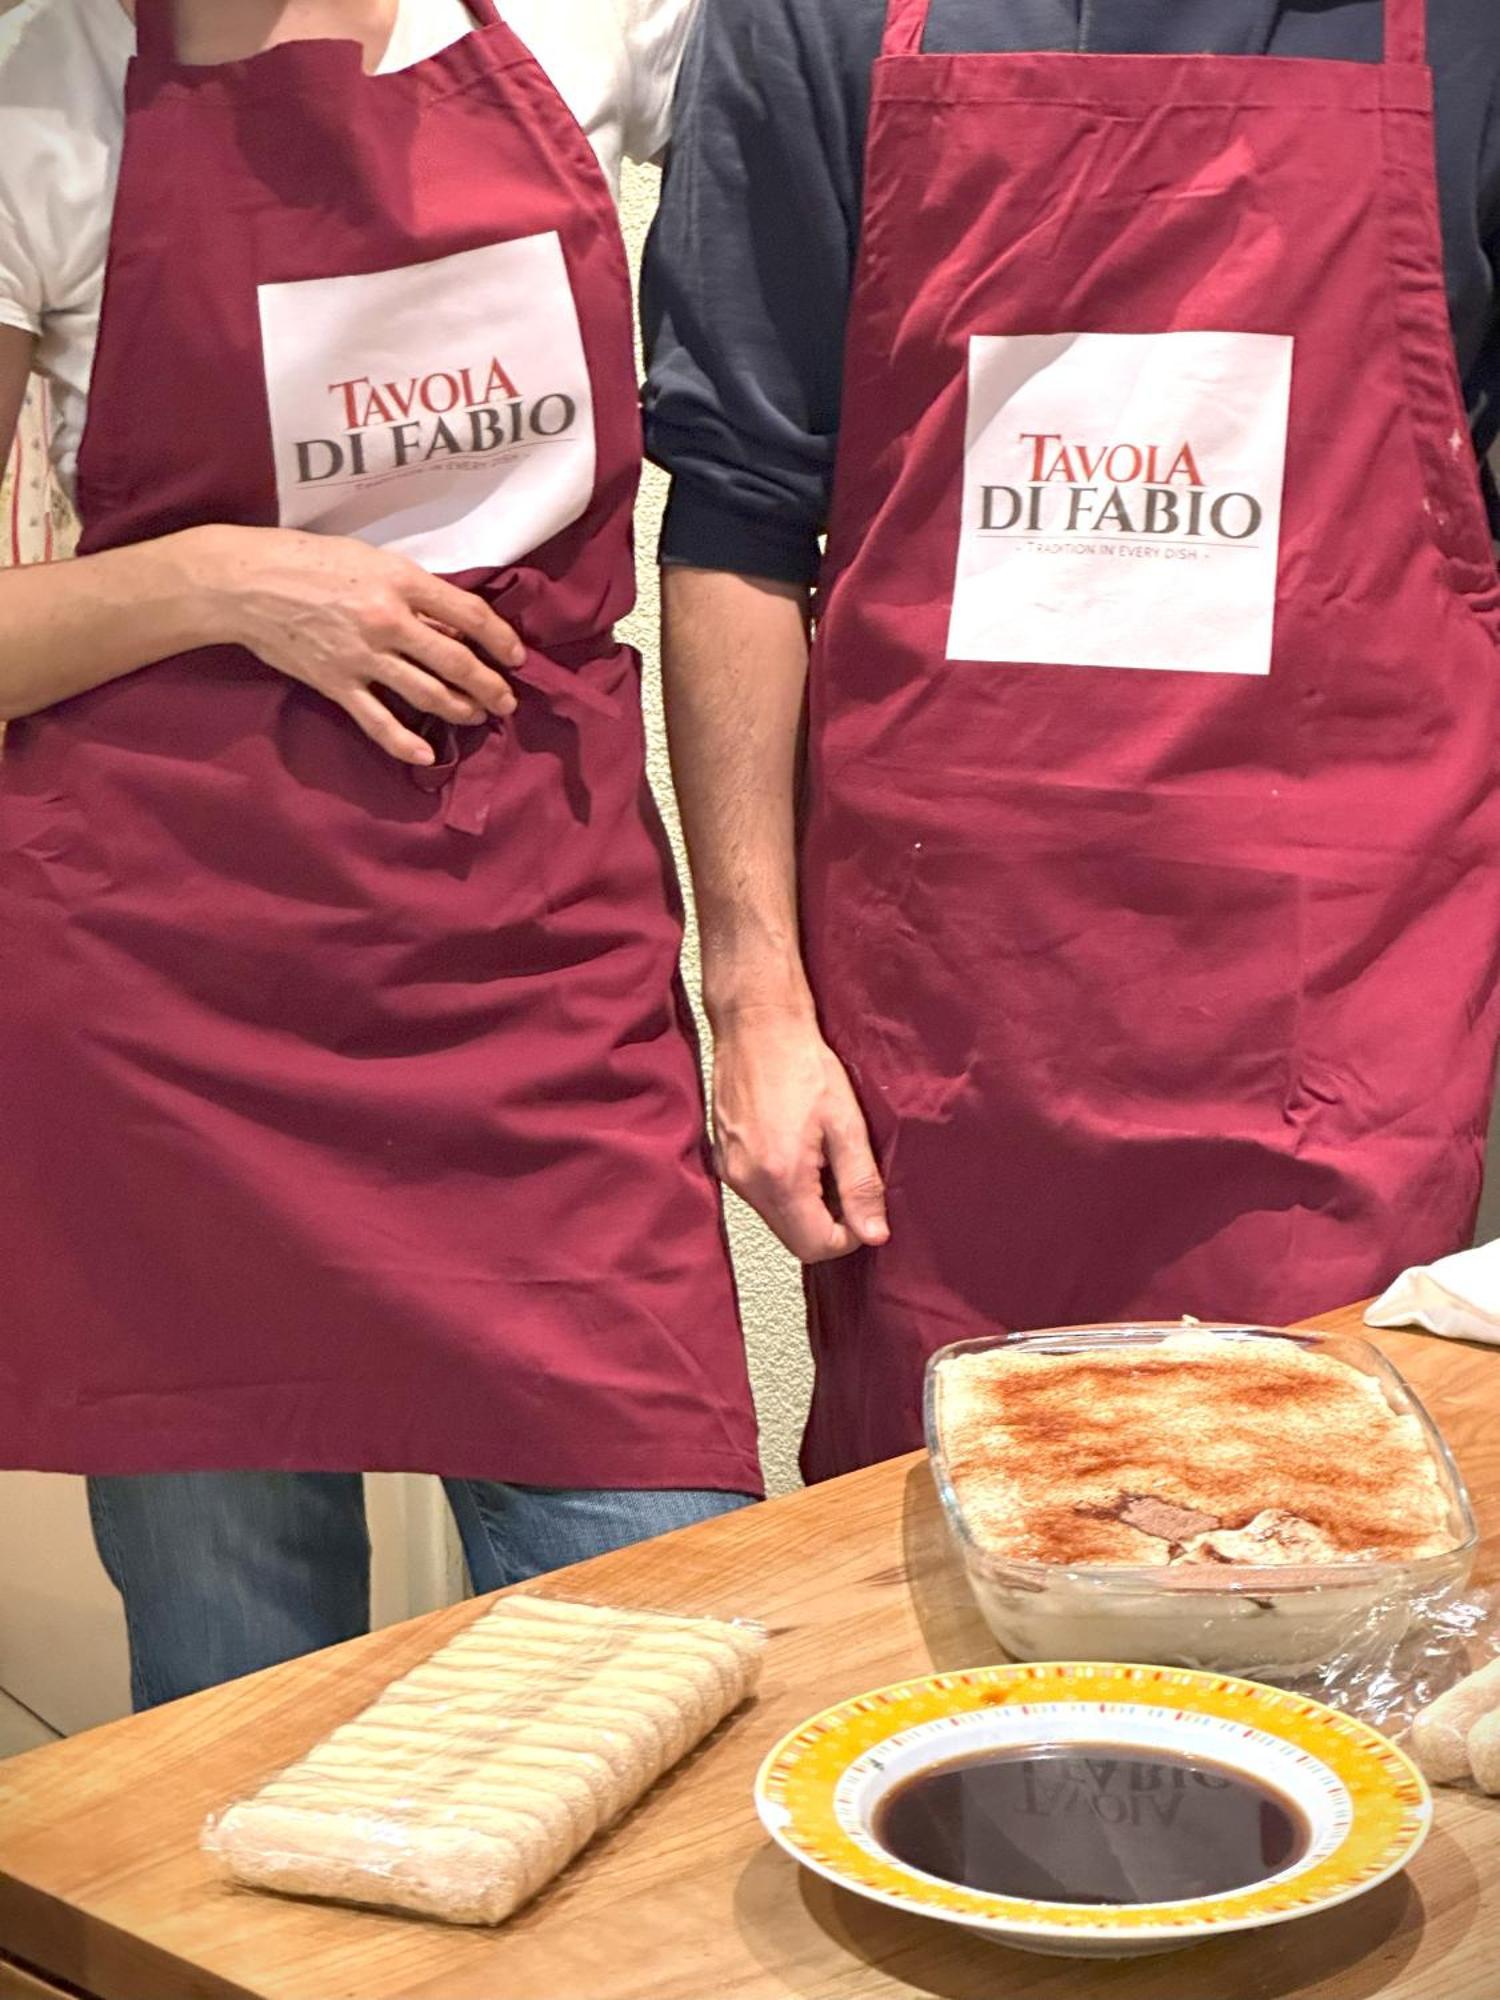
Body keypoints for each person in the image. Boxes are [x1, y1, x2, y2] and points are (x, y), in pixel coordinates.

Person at [0, 0, 762, 1712]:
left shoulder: (593, 31)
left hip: (542, 967)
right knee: (239, 1718)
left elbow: (825, 252)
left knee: (654, 1641)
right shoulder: (38, 96)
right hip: (171, 1026)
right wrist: (218, 580)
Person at [645, 0, 1500, 1481]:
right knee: (923, 1585)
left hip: (1340, 1018)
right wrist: (757, 1002)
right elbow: (736, 524)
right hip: (941, 1046)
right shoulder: (814, 16)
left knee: (1302, 1546)